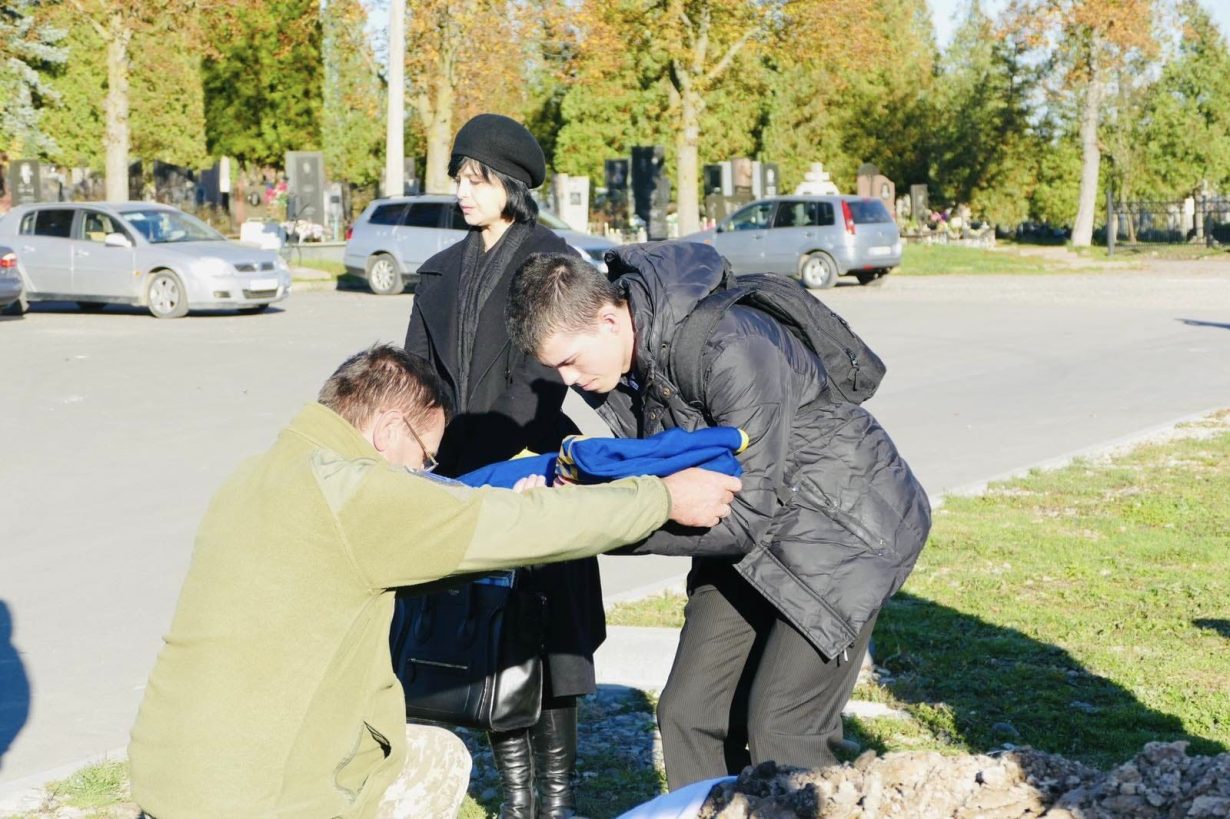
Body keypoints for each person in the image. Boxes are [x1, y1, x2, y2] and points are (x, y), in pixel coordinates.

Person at [127, 344, 740, 819]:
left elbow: (358, 576)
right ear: (389, 429)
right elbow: (509, 526)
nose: (426, 474)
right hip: (259, 798)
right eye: (425, 459)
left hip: (169, 773)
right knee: (439, 760)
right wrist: (659, 496)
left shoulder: (258, 476)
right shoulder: (357, 492)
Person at [506, 246, 932, 791]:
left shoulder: (732, 346)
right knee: (688, 714)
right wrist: (584, 489)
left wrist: (595, 520)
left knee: (783, 725)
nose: (566, 380)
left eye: (568, 360)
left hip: (843, 538)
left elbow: (746, 512)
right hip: (749, 543)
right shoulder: (628, 368)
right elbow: (669, 478)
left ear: (610, 319)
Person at [403, 113, 601, 818]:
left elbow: (545, 375)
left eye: (475, 178)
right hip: (457, 475)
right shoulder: (441, 271)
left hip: (531, 467)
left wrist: (483, 457)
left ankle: (558, 799)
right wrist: (423, 451)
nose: (463, 190)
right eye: (459, 176)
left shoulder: (548, 260)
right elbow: (417, 377)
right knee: (489, 637)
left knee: (550, 643)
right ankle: (516, 798)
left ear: (510, 185)